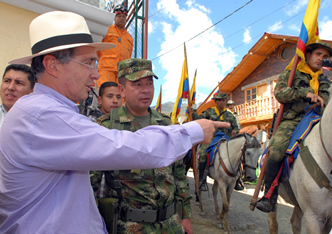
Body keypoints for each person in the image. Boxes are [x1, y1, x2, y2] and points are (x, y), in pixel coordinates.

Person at [0, 11, 229, 233]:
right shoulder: (42, 115)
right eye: (88, 62)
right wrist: (193, 131)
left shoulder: (46, 111)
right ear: (53, 65)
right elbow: (125, 147)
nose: (96, 74)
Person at [93, 58, 192, 233]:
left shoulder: (166, 123)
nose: (145, 90)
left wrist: (185, 215)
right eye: (137, 84)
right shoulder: (107, 126)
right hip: (130, 226)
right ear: (122, 90)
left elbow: (179, 174)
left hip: (170, 224)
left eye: (149, 83)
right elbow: (90, 184)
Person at [256, 42, 332, 213]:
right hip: (293, 120)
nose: (322, 59)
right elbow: (280, 93)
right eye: (318, 54)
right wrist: (305, 93)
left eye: (325, 57)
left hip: (319, 120)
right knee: (276, 148)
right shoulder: (292, 73)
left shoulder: (324, 79)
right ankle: (270, 195)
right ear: (308, 55)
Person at [193, 93, 240, 191]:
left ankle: (237, 179)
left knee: (238, 154)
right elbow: (199, 119)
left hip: (225, 139)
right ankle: (202, 180)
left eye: (223, 100)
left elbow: (235, 126)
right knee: (203, 153)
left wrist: (235, 130)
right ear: (216, 101)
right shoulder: (209, 112)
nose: (222, 102)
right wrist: (192, 113)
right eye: (219, 100)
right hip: (211, 138)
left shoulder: (229, 115)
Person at [97, 4, 133, 87]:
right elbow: (98, 47)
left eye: (123, 16)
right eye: (119, 16)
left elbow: (129, 54)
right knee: (106, 91)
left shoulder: (129, 37)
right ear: (114, 17)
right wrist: (103, 60)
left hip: (122, 72)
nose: (121, 18)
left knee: (120, 95)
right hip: (106, 69)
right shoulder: (107, 29)